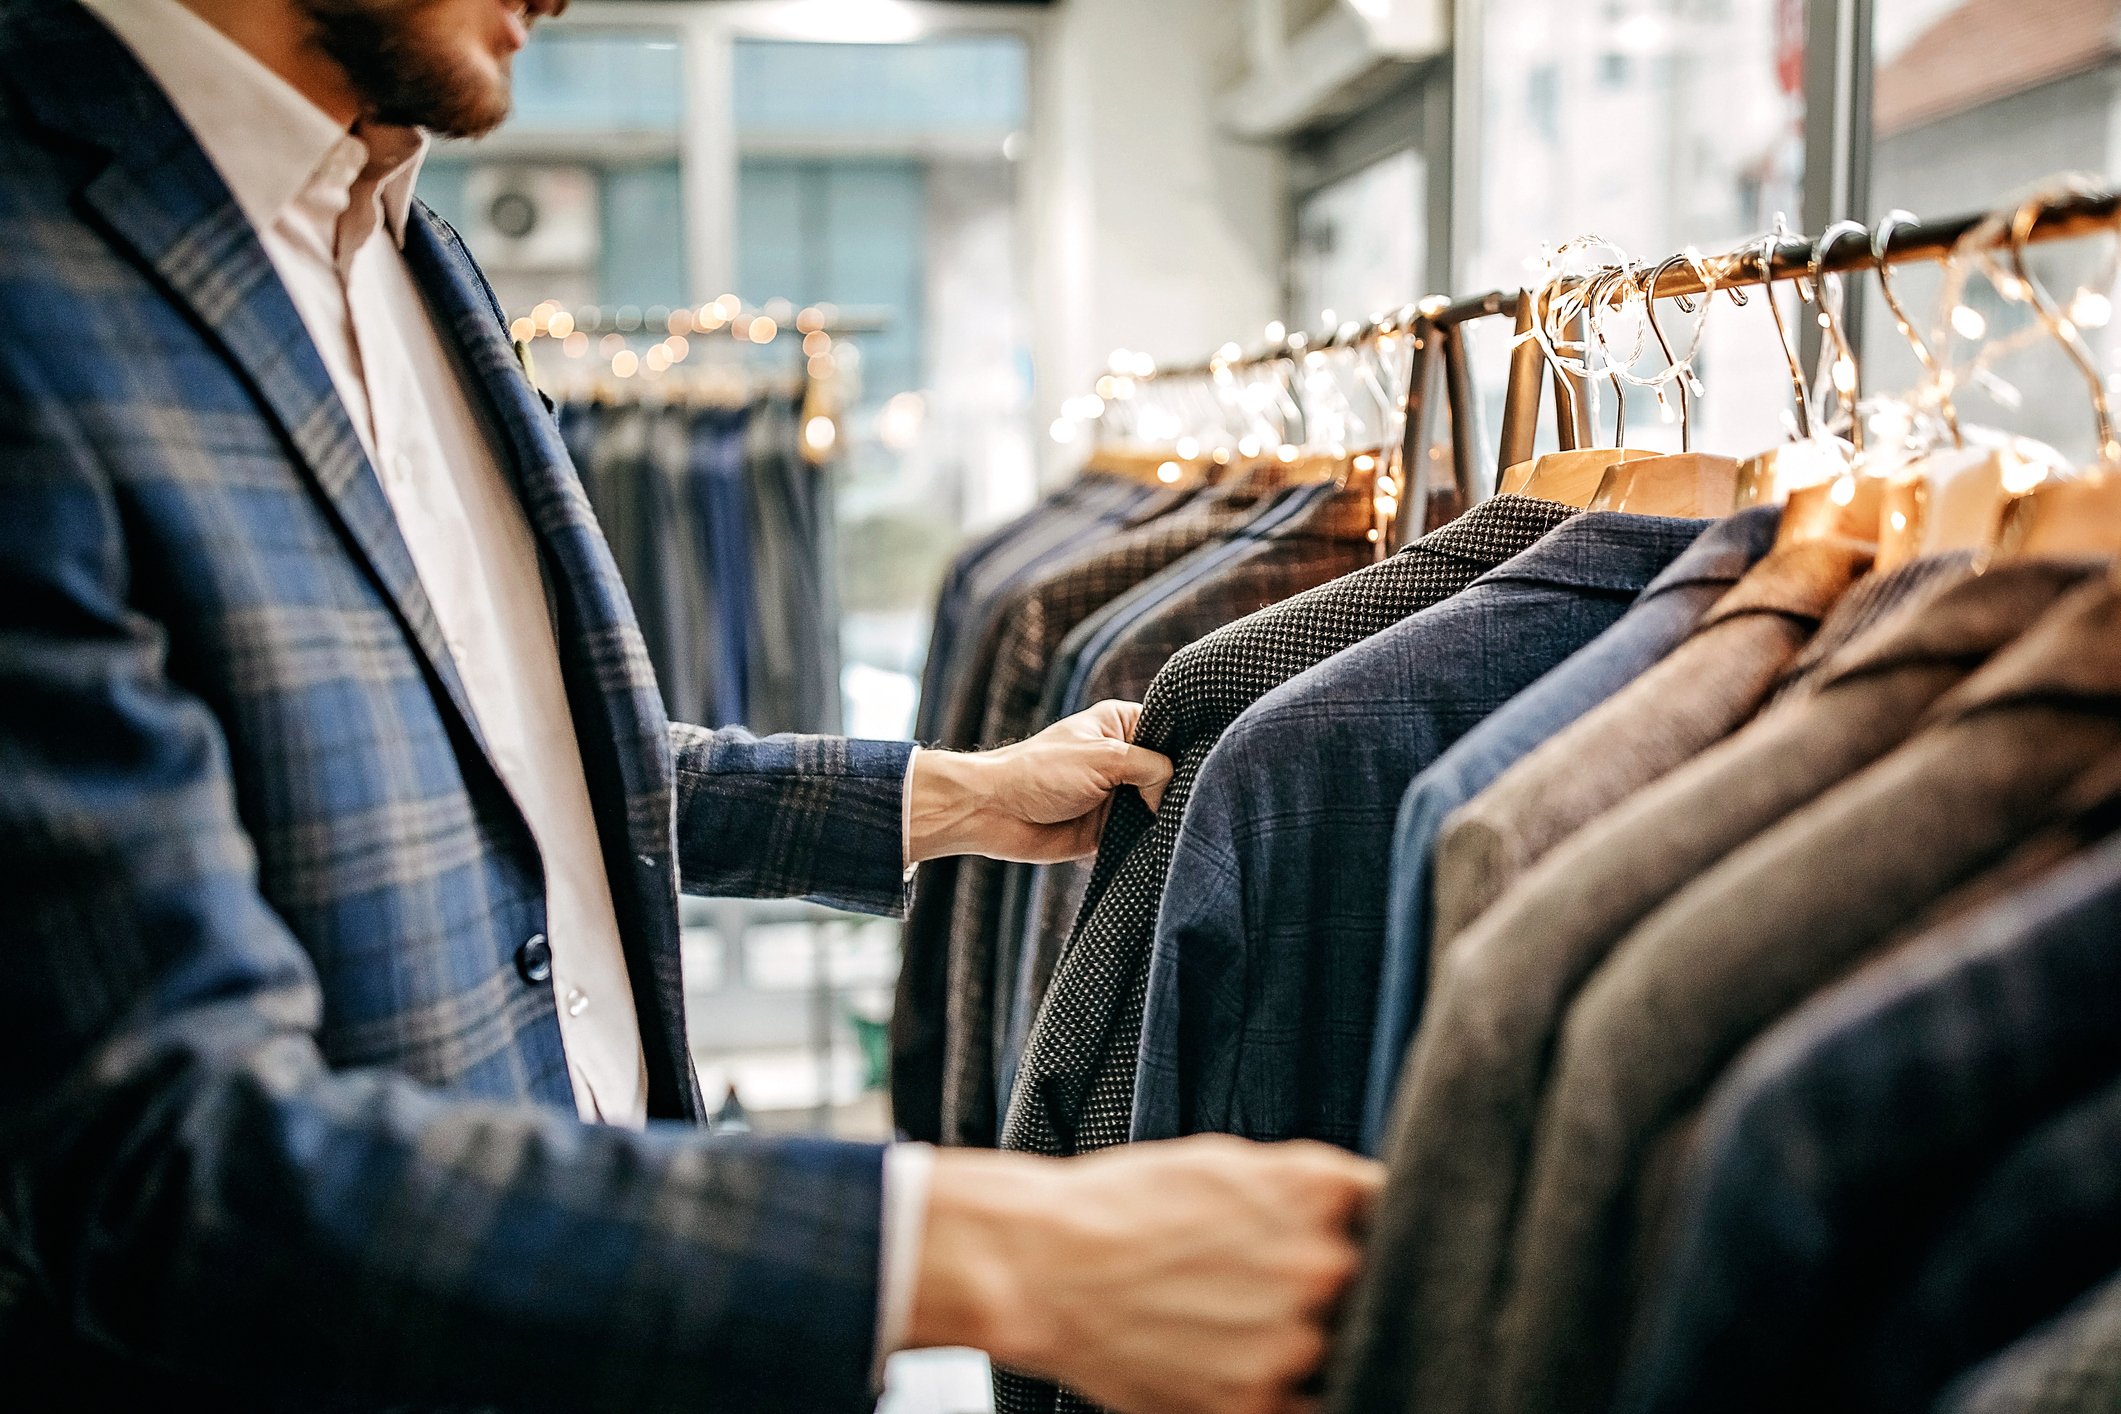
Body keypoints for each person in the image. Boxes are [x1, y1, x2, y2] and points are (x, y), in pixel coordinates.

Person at [0, 0, 1383, 1409]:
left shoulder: (411, 254)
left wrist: (953, 794)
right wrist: (981, 1250)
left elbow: (516, 775)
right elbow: (157, 1154)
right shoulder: (33, 289)